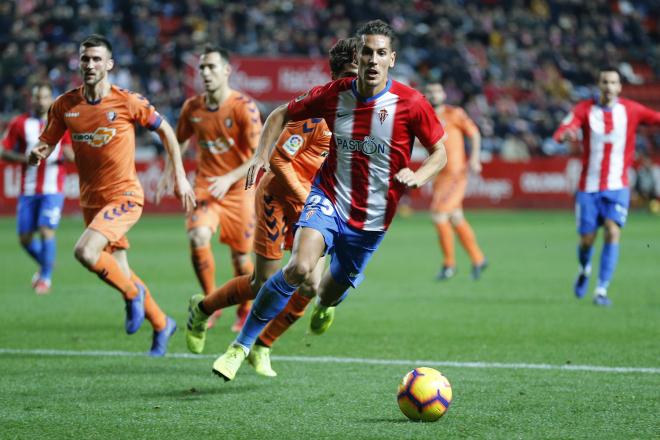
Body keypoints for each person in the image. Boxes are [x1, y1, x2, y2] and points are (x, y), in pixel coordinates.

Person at [210, 20, 447, 381]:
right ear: (359, 55)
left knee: (326, 293)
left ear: (391, 59)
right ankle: (240, 347)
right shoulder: (334, 94)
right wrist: (260, 155)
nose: (372, 59)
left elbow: (440, 153)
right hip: (329, 200)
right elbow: (280, 114)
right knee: (299, 268)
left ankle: (325, 305)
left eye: (380, 53)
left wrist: (419, 175)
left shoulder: (411, 104)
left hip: (371, 222)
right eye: (366, 52)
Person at [184, 38, 359, 377]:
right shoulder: (316, 112)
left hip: (315, 204)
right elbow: (279, 158)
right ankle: (202, 308)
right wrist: (304, 196)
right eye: (352, 73)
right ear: (338, 76)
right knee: (261, 282)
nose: (359, 81)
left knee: (309, 284)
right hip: (277, 198)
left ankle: (263, 345)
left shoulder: (364, 113)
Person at [29, 34, 196, 355]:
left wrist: (179, 175)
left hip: (125, 197)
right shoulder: (65, 105)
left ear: (109, 65)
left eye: (96, 59)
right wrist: (38, 151)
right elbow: (47, 142)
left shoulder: (127, 101)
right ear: (79, 63)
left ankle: (133, 295)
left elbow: (166, 130)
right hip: (91, 201)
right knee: (120, 268)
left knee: (86, 253)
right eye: (85, 59)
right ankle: (162, 323)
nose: (89, 64)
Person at [158, 45, 262, 332]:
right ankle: (211, 302)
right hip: (206, 187)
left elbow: (258, 156)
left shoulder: (244, 107)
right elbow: (179, 141)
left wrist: (229, 178)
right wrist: (172, 171)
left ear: (226, 71)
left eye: (211, 67)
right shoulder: (192, 107)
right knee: (197, 236)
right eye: (202, 68)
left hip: (240, 189)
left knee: (242, 258)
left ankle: (245, 309)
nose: (205, 73)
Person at [553, 66, 660, 307]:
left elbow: (656, 118)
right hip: (588, 188)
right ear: (599, 85)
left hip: (617, 186)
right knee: (587, 241)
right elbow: (561, 131)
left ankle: (601, 290)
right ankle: (584, 268)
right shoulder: (584, 109)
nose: (609, 87)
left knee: (613, 231)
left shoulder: (631, 110)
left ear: (620, 87)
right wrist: (566, 135)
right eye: (605, 82)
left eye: (613, 83)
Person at [2, 83, 74, 294]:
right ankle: (46, 263)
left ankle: (45, 278)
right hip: (28, 189)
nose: (40, 101)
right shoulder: (19, 123)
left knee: (45, 230)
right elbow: (3, 151)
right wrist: (25, 158)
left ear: (51, 99)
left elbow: (69, 151)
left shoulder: (62, 122)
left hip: (53, 188)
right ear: (30, 99)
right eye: (36, 97)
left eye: (44, 97)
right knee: (25, 239)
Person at [424, 82, 487, 281]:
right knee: (455, 217)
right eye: (430, 92)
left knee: (439, 215)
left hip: (455, 174)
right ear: (426, 95)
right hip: (438, 175)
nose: (434, 95)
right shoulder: (425, 116)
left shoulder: (454, 113)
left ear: (443, 94)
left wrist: (475, 158)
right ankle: (478, 259)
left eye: (437, 91)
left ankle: (449, 265)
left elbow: (474, 133)